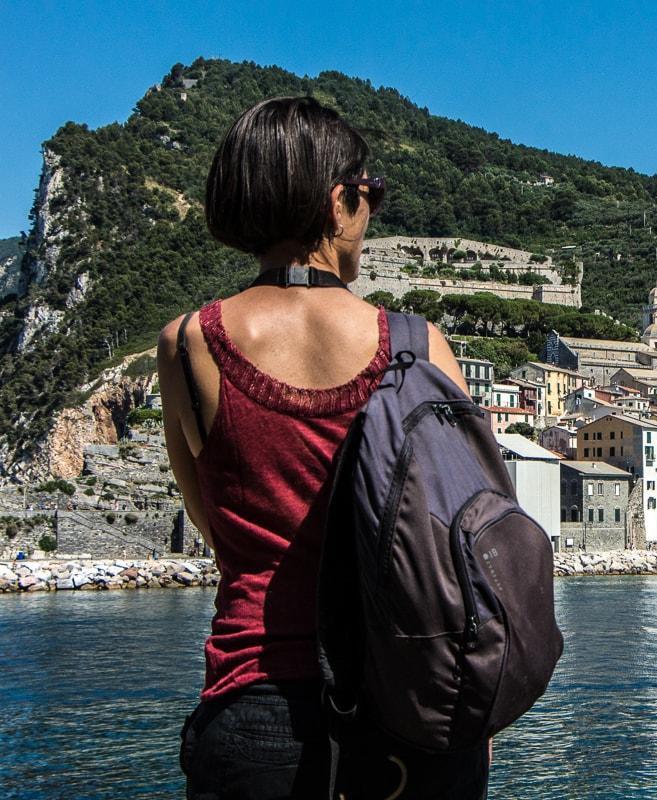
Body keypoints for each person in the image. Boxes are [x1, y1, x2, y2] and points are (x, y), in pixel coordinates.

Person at [158, 96, 489, 799]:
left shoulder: (189, 346)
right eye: (372, 194)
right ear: (338, 202)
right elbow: (472, 545)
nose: (370, 216)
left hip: (256, 708)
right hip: (411, 710)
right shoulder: (420, 345)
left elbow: (218, 531)